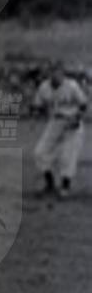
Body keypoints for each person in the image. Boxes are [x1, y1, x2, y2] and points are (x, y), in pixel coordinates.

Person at [31, 61, 88, 198]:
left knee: (68, 155)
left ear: (62, 73)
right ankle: (49, 184)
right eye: (52, 71)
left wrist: (77, 118)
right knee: (39, 152)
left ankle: (65, 187)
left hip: (72, 122)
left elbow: (83, 104)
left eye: (57, 71)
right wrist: (36, 112)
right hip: (55, 122)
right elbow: (37, 105)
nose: (55, 74)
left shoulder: (72, 86)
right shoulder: (44, 87)